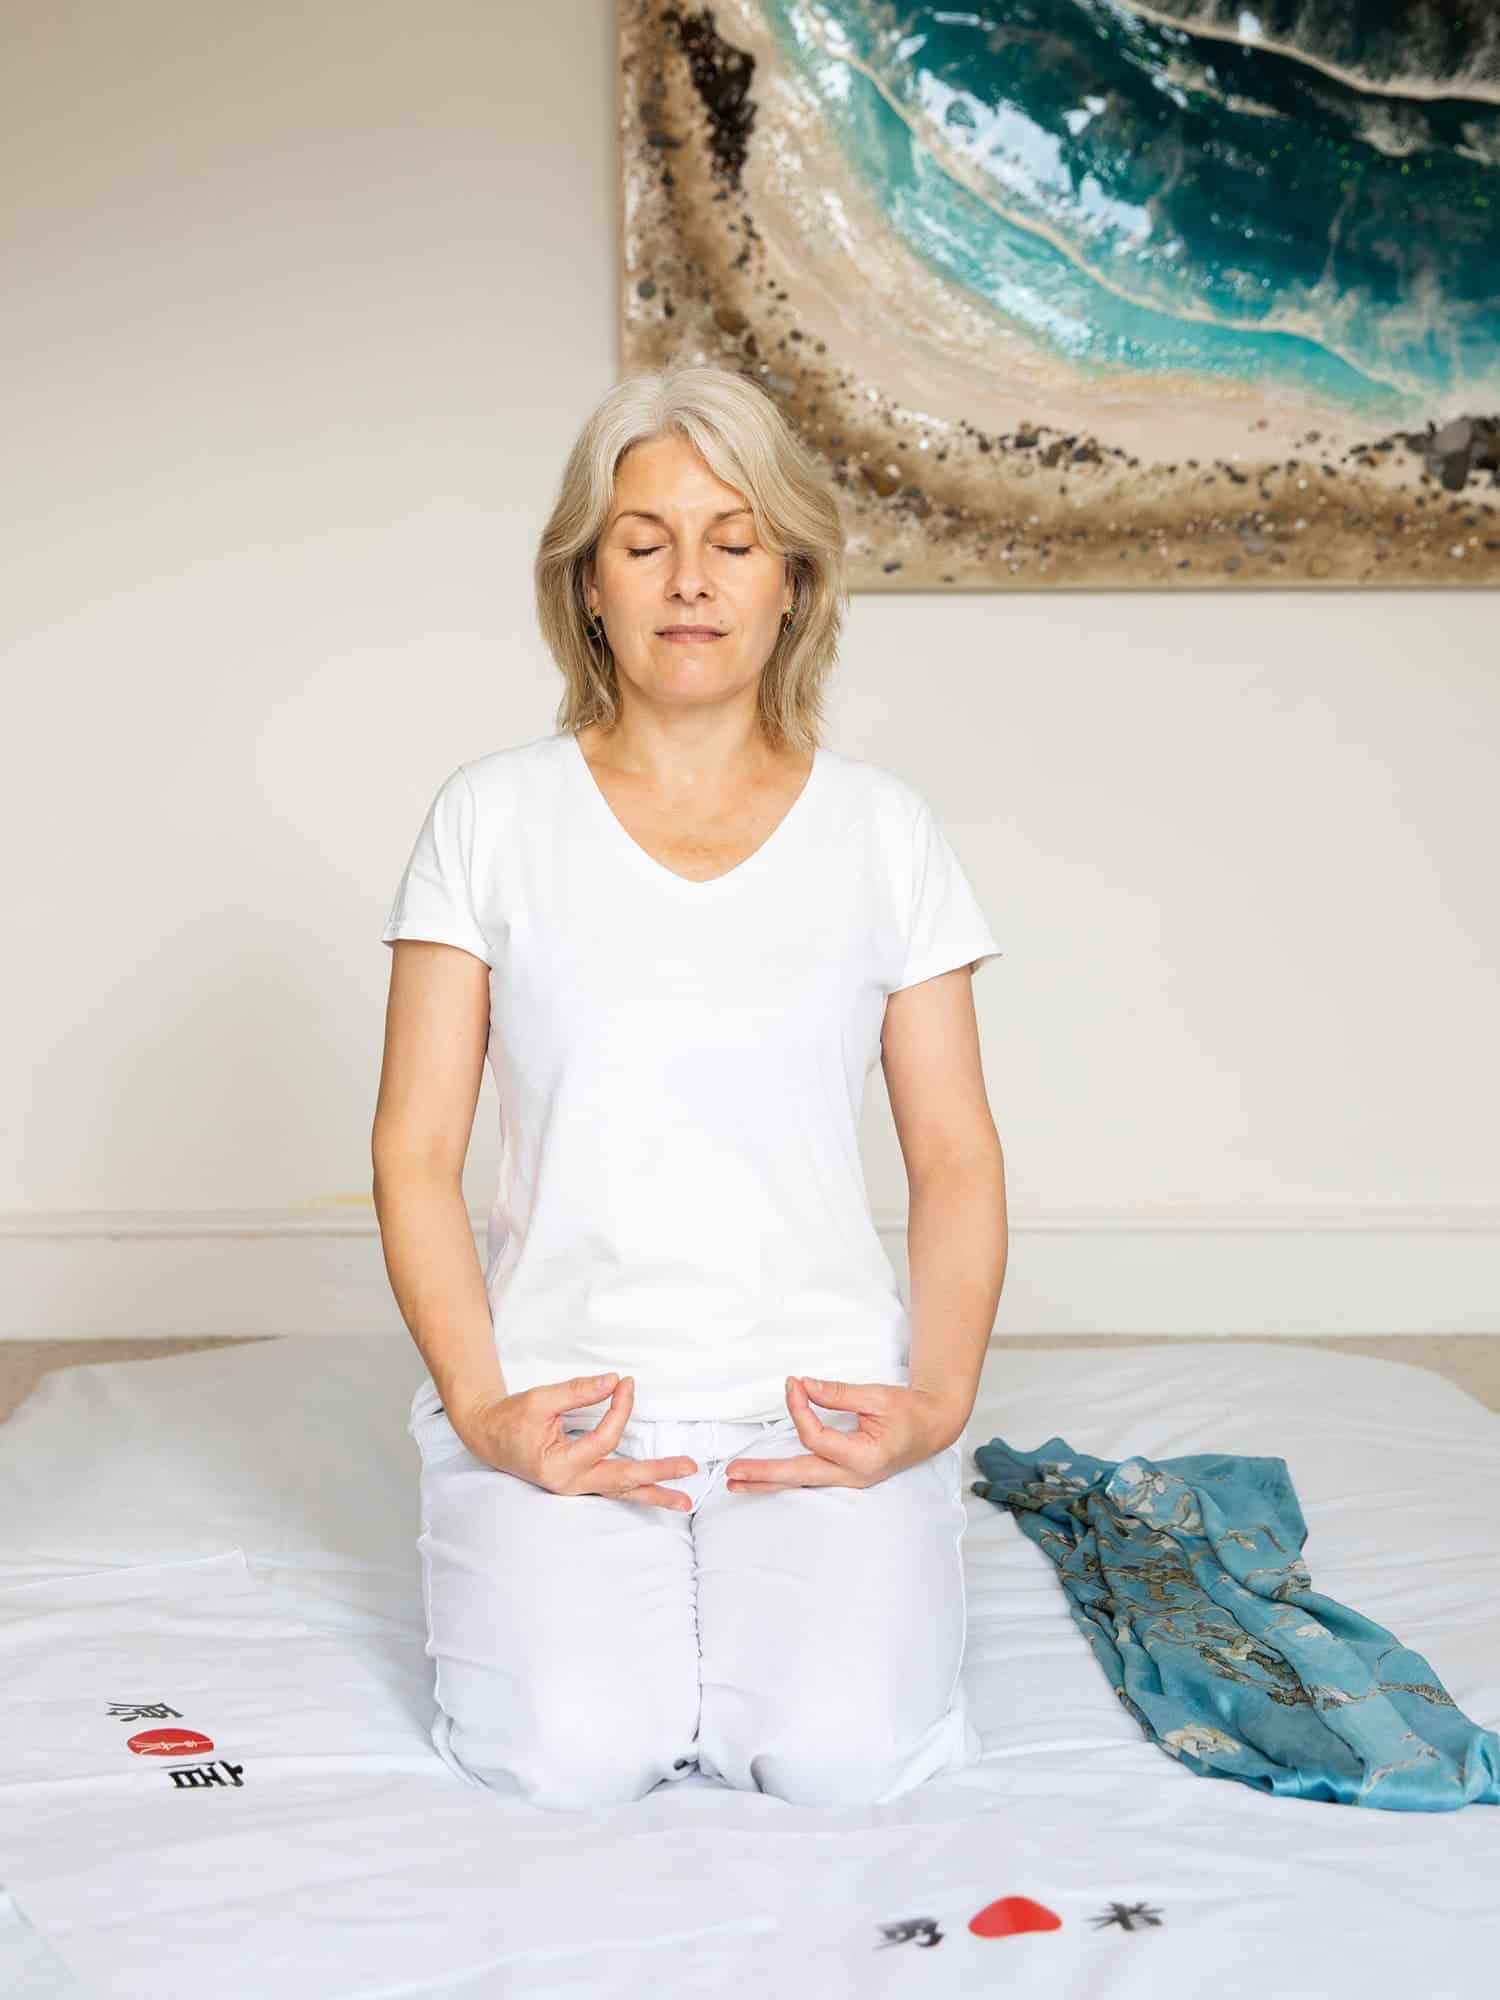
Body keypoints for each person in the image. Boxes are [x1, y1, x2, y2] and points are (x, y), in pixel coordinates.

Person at [371, 364, 1009, 1811]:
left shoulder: (885, 833)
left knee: (845, 1762)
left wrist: (937, 1404)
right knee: (568, 1757)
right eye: (644, 539)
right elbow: (415, 1152)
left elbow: (957, 1158)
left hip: (820, 1403)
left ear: (792, 579)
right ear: (587, 582)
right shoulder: (488, 820)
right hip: (562, 1397)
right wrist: (483, 1410)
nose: (690, 580)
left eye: (733, 539)